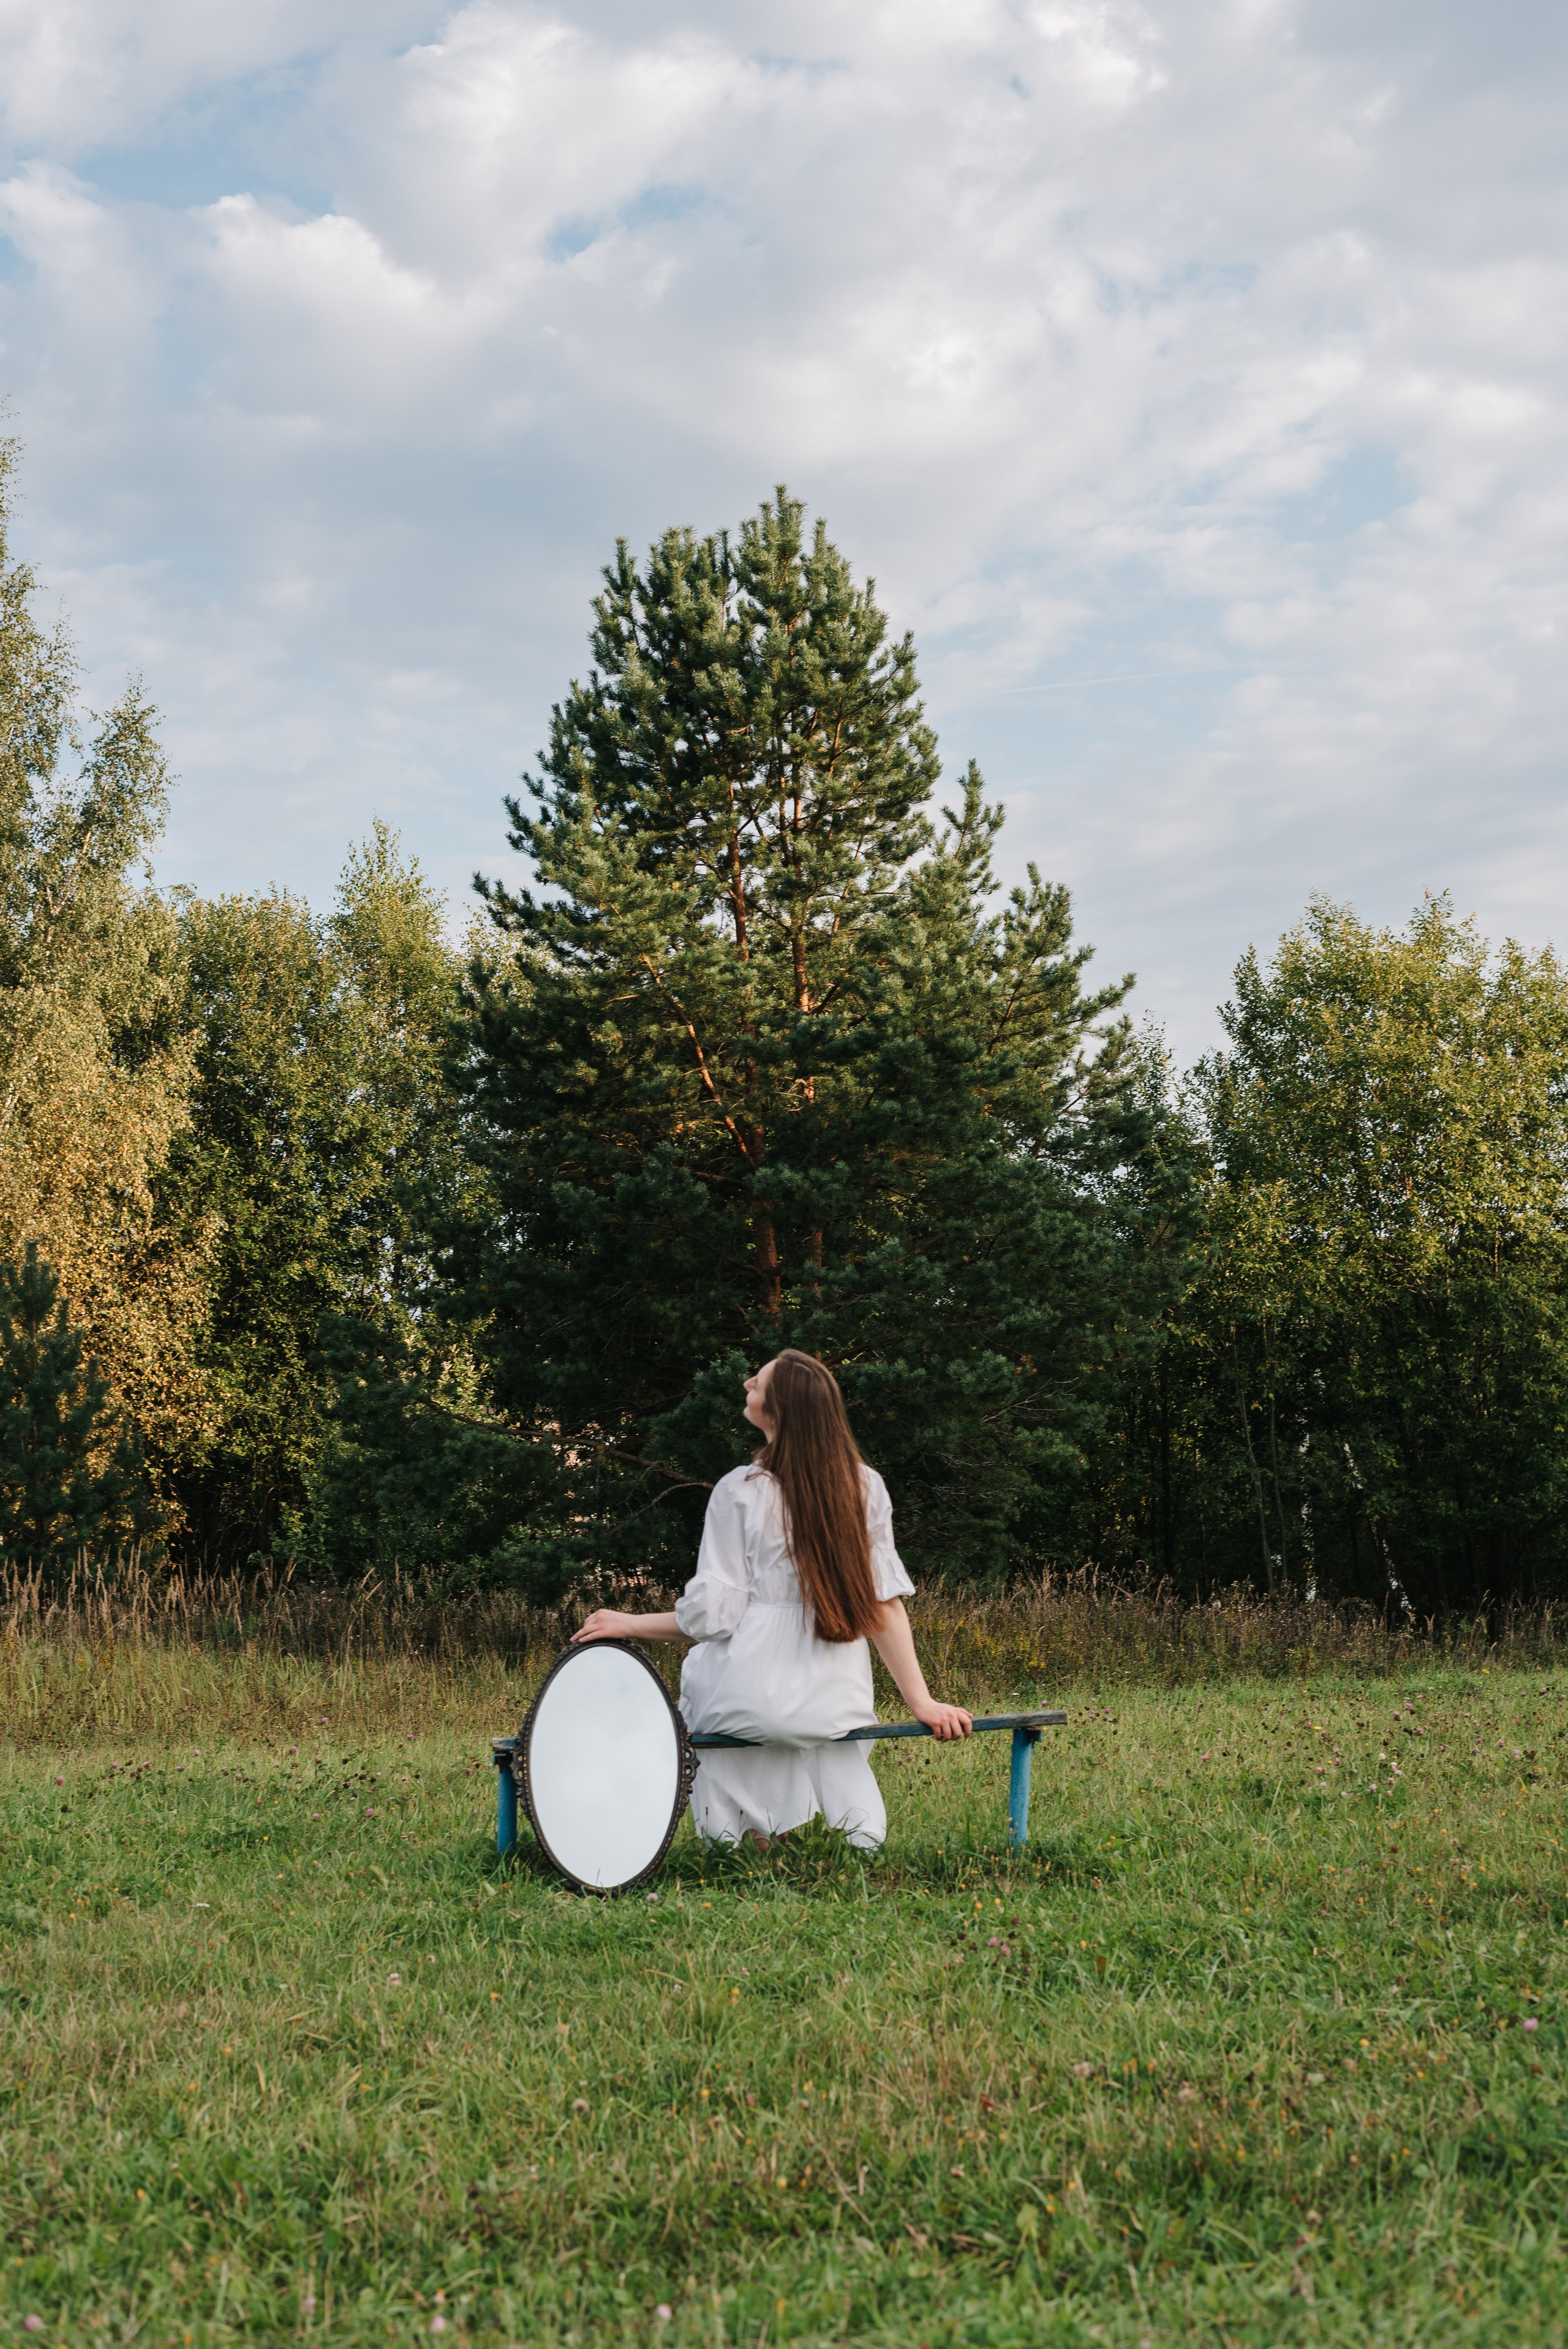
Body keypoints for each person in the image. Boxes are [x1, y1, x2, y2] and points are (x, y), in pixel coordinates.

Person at [573, 1349, 971, 1848]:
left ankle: (742, 1837)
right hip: (835, 1699)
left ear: (777, 1410)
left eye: (756, 1383)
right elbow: (885, 1605)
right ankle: (808, 1832)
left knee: (705, 1675)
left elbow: (714, 1617)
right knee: (789, 1715)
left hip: (748, 1700)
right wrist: (922, 1700)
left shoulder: (739, 1490)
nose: (745, 1384)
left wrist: (629, 1622)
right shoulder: (866, 1485)